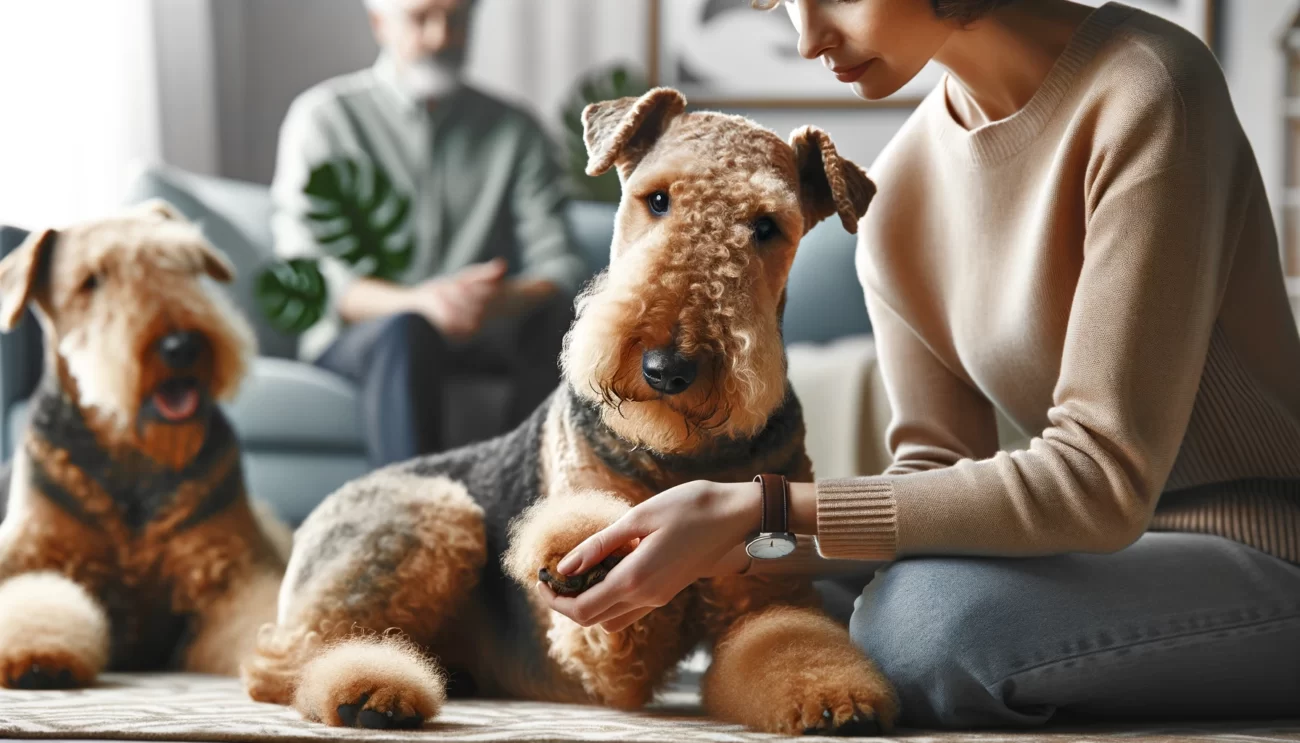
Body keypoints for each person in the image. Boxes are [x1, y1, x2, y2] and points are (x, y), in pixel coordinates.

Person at [540, 0, 1300, 729]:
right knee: (796, 592)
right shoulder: (901, 183)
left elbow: (1100, 476)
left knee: (927, 626)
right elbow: (934, 467)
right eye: (785, 1)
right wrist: (726, 543)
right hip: (1090, 550)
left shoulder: (1149, 87)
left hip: (1260, 547)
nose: (809, 38)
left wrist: (761, 511)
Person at [271, 0, 586, 467]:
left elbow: (561, 262)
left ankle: (532, 512)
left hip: (484, 331)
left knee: (563, 317)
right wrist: (421, 303)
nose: (441, 36)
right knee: (407, 331)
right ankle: (417, 524)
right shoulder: (325, 119)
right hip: (367, 339)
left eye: (456, 19)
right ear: (380, 23)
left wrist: (501, 300)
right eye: (421, 18)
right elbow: (308, 273)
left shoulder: (515, 130)